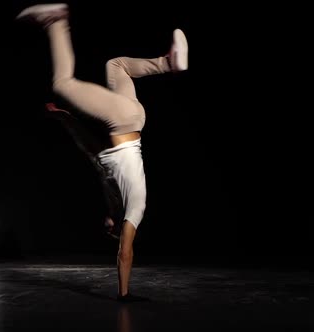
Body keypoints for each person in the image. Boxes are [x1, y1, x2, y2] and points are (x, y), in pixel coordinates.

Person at [16, 3, 188, 302]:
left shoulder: (111, 187)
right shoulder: (135, 207)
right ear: (120, 225)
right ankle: (56, 21)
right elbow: (125, 252)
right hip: (123, 120)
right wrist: (123, 292)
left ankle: (166, 63)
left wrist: (65, 119)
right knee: (63, 82)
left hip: (134, 118)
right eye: (112, 228)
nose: (108, 225)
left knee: (115, 65)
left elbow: (88, 146)